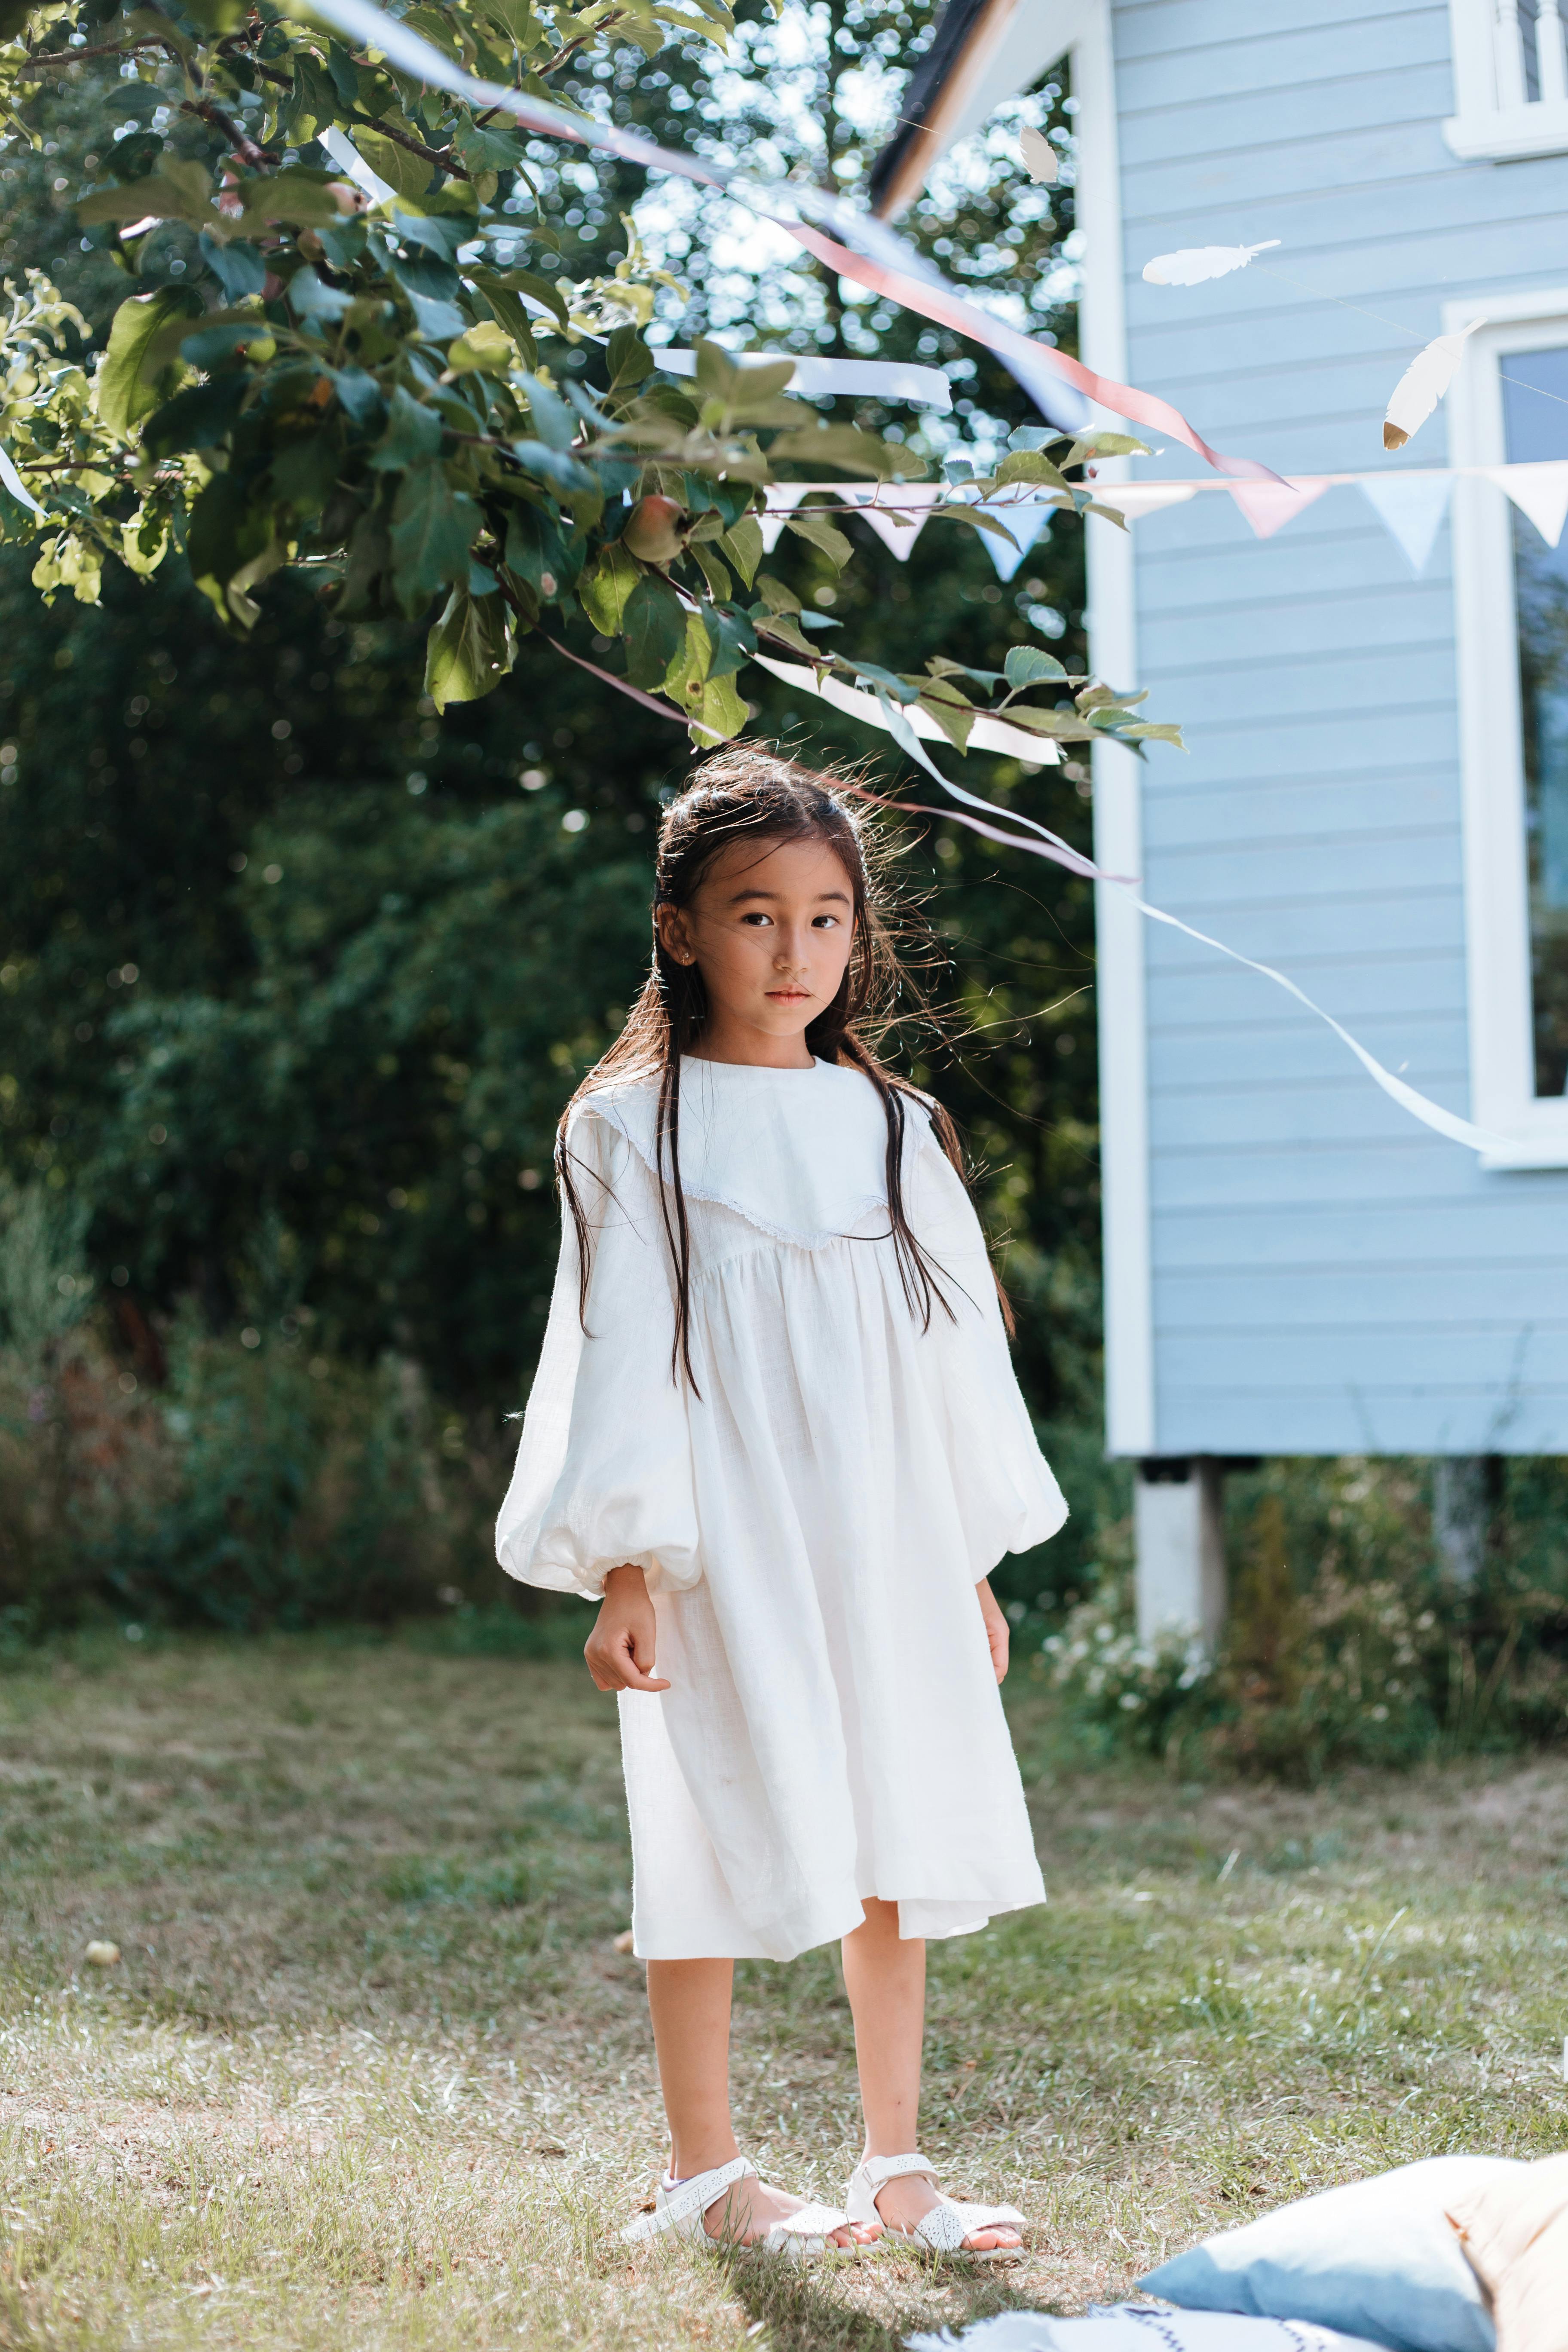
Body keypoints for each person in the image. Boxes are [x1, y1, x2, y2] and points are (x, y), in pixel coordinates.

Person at [497, 748, 1067, 2262]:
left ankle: (900, 2164)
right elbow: (617, 1361)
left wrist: (965, 1564)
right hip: (715, 1534)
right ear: (682, 927)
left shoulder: (892, 1127)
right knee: (706, 1818)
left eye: (826, 919)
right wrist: (628, 1567)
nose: (796, 951)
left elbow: (946, 1367)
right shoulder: (629, 1131)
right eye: (757, 916)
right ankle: (709, 2175)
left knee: (899, 1816)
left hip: (883, 1530)